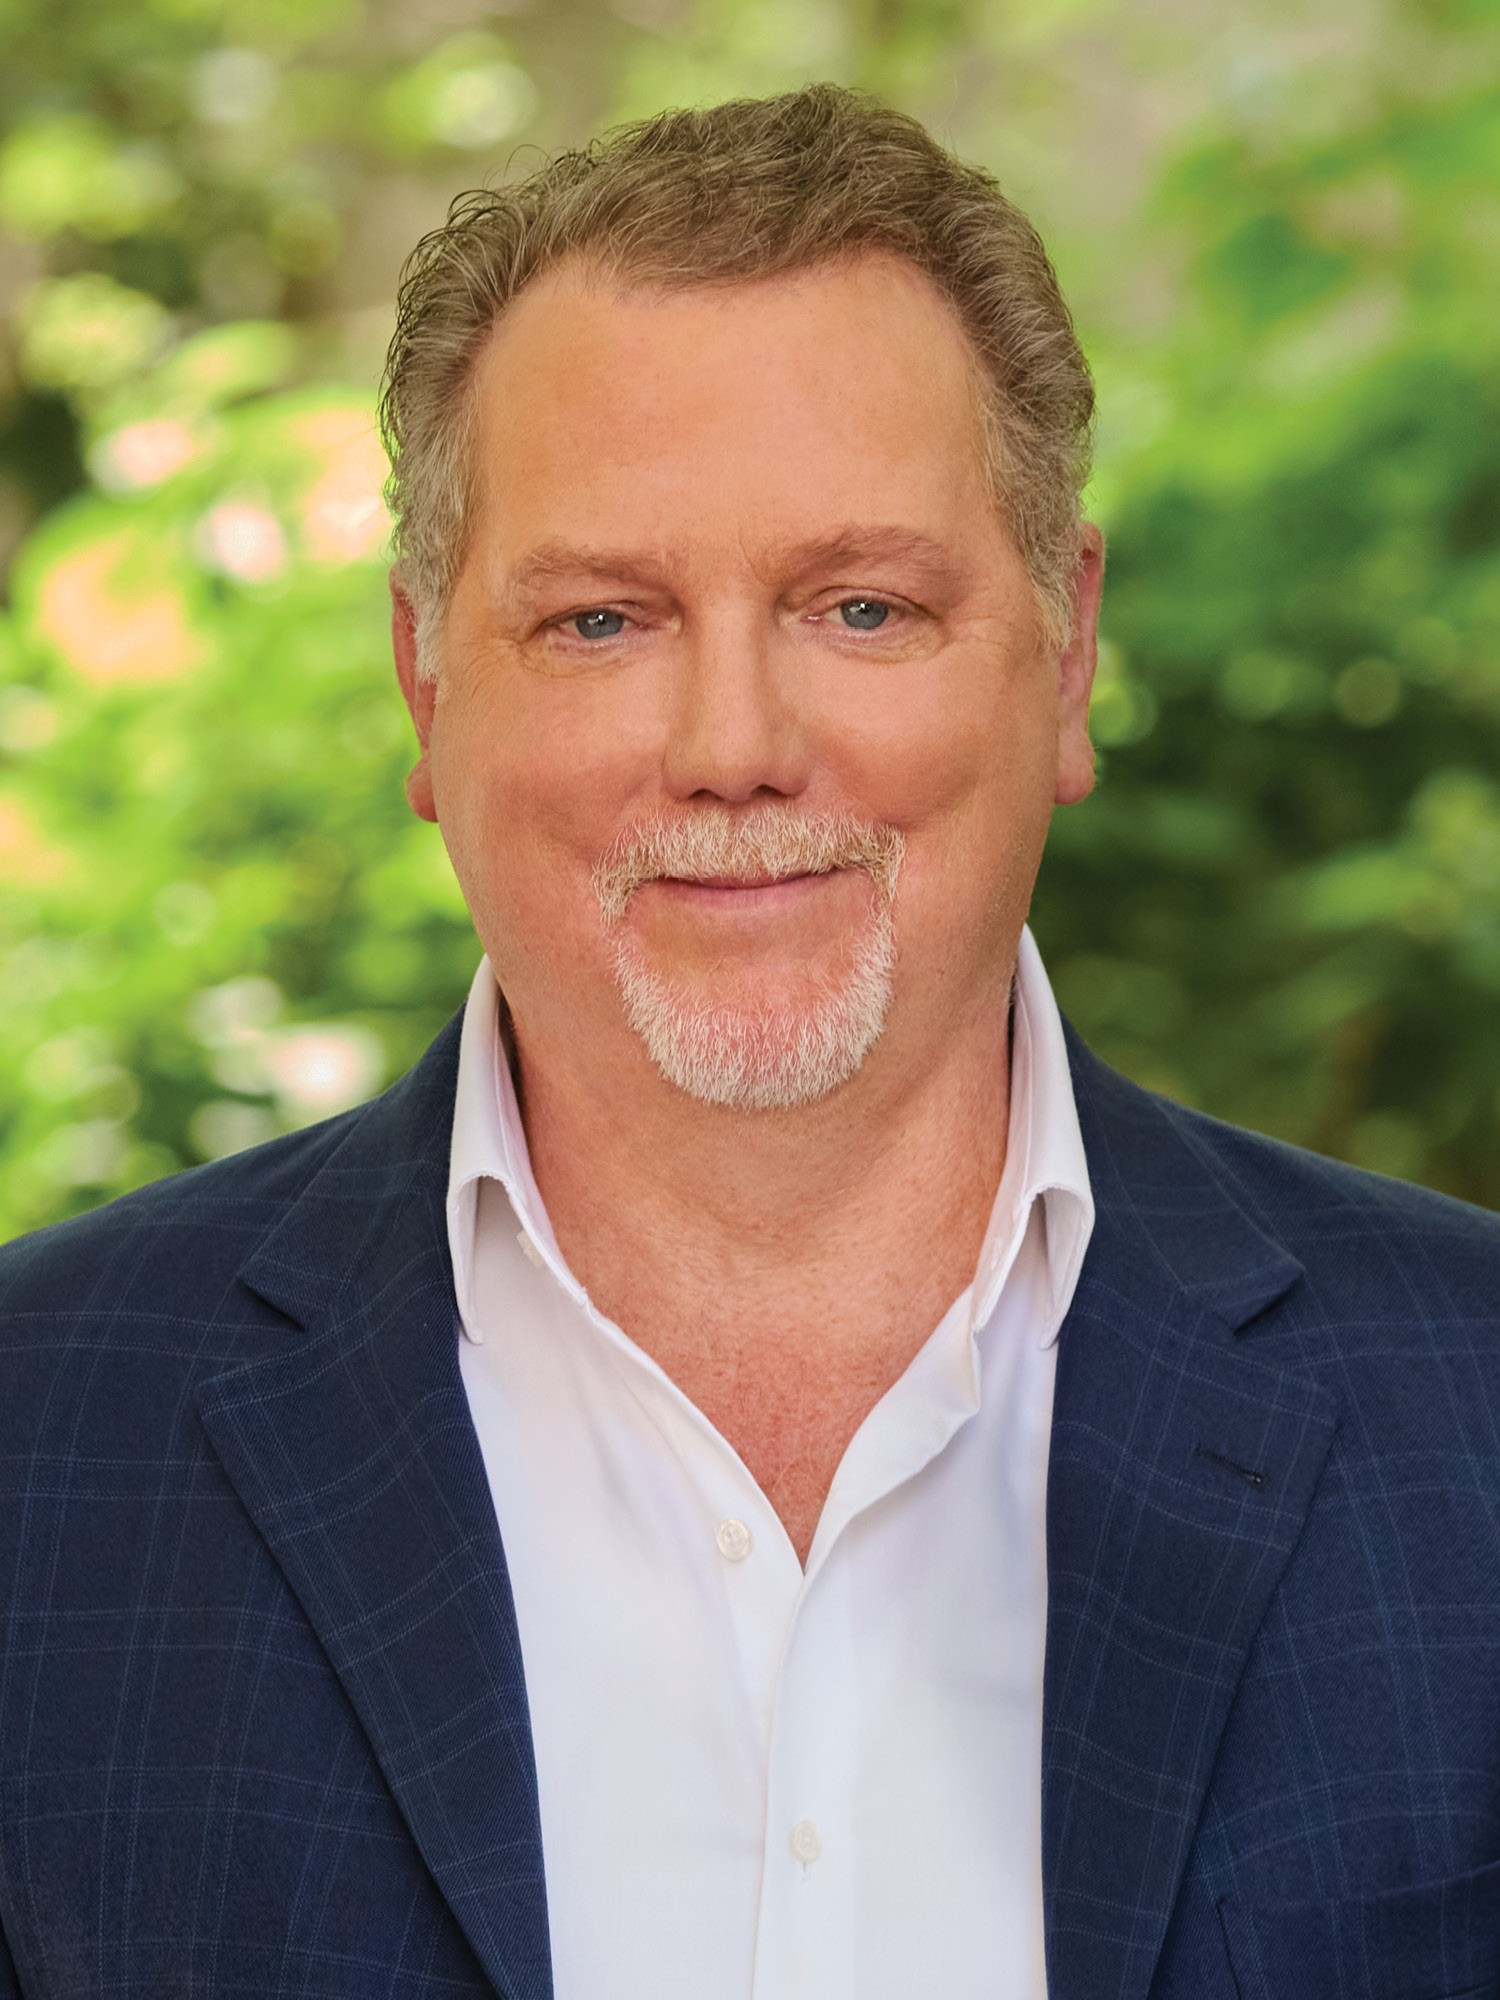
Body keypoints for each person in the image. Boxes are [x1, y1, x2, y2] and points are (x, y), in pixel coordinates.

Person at [1, 82, 1498, 2000]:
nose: (732, 746)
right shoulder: (38, 1441)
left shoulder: (1471, 1410)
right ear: (425, 684)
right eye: (602, 622)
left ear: (1064, 656)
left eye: (860, 606)